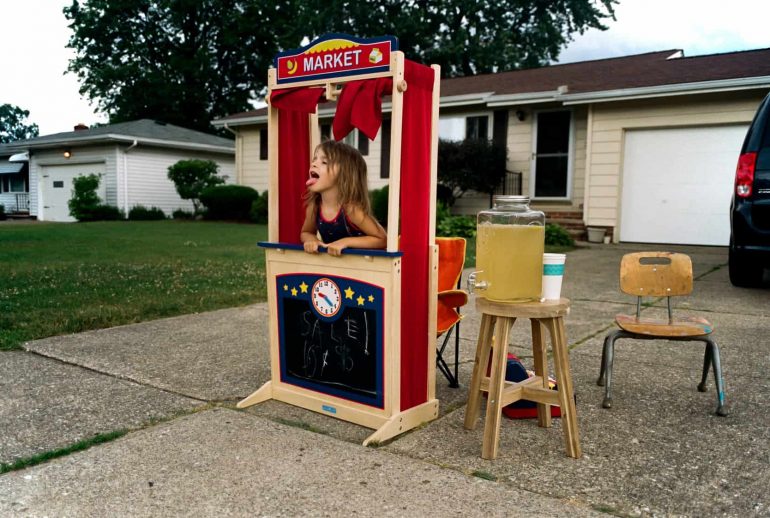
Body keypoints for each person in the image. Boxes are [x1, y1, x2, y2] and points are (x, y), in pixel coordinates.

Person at [301, 140, 386, 256]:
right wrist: (312, 240)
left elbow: (382, 239)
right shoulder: (314, 206)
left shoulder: (351, 209)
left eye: (324, 162)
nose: (314, 164)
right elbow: (306, 232)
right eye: (314, 159)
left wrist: (345, 242)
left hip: (364, 268)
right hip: (337, 269)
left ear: (344, 175)